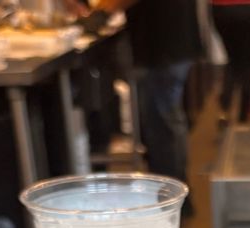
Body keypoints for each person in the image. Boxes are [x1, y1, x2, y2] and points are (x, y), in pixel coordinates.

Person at [86, 0, 203, 190]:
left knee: (161, 126)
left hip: (161, 48)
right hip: (173, 44)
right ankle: (177, 190)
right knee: (170, 121)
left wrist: (100, 12)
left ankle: (167, 193)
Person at [210, 0, 250, 124]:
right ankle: (244, 117)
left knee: (233, 59)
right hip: (248, 8)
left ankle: (224, 109)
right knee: (249, 63)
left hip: (221, 9)